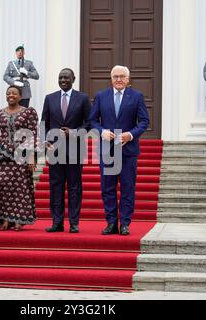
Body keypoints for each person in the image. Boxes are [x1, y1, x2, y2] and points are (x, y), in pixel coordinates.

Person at [89, 66, 150, 236]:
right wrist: (102, 131)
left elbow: (144, 122)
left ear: (128, 79)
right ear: (111, 78)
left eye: (122, 76)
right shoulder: (101, 96)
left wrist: (130, 135)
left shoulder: (136, 97)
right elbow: (92, 120)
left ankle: (124, 223)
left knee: (127, 188)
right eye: (115, 76)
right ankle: (111, 223)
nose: (118, 79)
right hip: (107, 150)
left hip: (128, 151)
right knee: (107, 188)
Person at [0, 86, 39, 232]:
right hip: (3, 155)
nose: (11, 95)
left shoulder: (28, 112)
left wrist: (32, 157)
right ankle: (5, 219)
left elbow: (32, 133)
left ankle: (18, 220)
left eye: (14, 93)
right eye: (8, 93)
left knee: (20, 188)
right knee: (3, 187)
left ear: (20, 97)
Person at [41, 68, 92, 234]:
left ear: (73, 79)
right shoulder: (50, 98)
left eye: (66, 78)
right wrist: (45, 141)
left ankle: (74, 223)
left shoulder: (83, 98)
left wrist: (74, 132)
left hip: (75, 148)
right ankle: (57, 222)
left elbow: (89, 122)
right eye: (60, 77)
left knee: (74, 187)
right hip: (54, 150)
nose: (63, 80)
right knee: (55, 187)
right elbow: (44, 123)